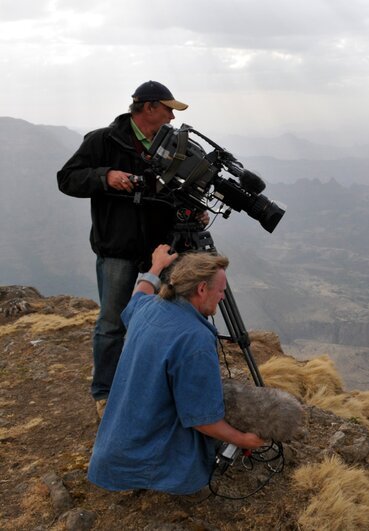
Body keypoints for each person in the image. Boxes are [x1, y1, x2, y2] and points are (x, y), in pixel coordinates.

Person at [88, 245, 265, 496]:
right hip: (144, 456)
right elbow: (203, 420)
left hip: (115, 446)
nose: (223, 297)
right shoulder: (195, 340)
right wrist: (242, 440)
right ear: (202, 289)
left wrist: (156, 266)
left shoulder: (151, 306)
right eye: (221, 291)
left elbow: (139, 294)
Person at [56, 81, 189, 416]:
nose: (172, 117)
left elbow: (174, 190)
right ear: (148, 108)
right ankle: (105, 393)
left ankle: (156, 385)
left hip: (160, 248)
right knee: (113, 323)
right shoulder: (103, 140)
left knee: (165, 319)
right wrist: (105, 176)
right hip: (117, 246)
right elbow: (67, 178)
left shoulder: (172, 146)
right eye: (168, 109)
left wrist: (192, 210)